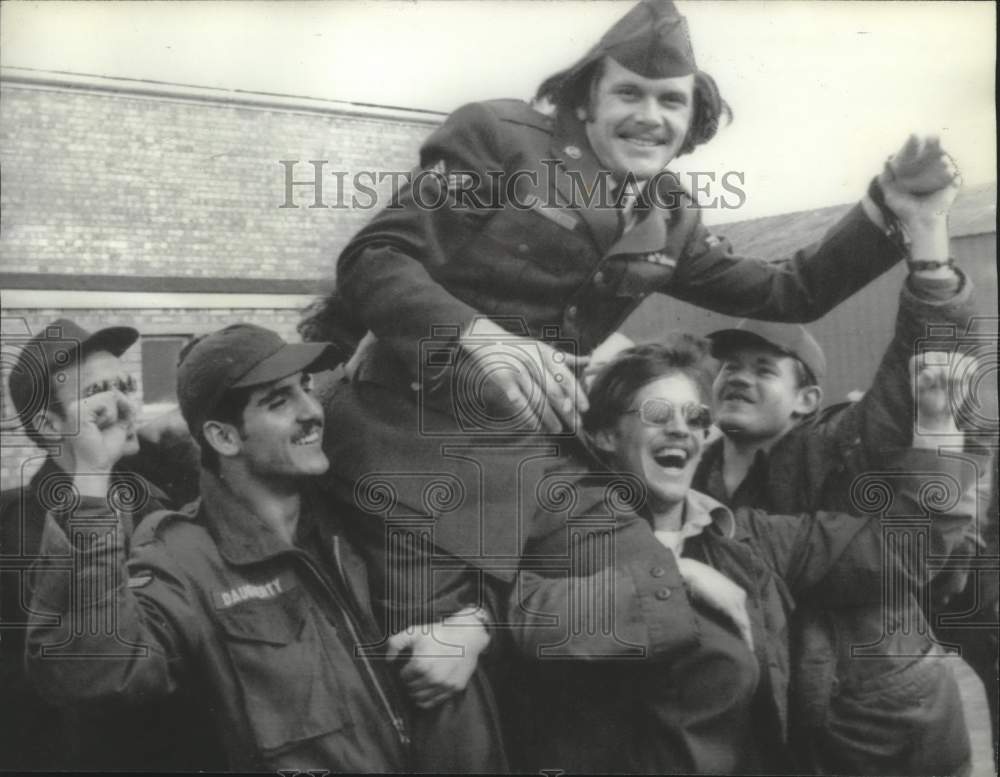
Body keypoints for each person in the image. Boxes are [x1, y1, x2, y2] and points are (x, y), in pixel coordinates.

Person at [310, 0, 959, 574]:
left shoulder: (671, 214)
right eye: (630, 94)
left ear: (692, 118)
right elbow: (376, 258)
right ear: (587, 99)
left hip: (526, 469)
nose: (651, 116)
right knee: (439, 663)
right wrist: (483, 339)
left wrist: (887, 207)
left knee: (664, 603)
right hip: (399, 449)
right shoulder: (500, 140)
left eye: (671, 100)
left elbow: (792, 292)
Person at [22, 323, 496, 772]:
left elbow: (505, 576)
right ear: (224, 437)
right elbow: (91, 677)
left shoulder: (358, 515)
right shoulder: (183, 559)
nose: (310, 410)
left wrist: (475, 625)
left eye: (307, 386)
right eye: (278, 401)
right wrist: (90, 478)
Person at [504, 338, 977, 774]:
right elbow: (512, 616)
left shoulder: (744, 539)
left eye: (694, 419)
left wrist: (936, 423)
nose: (680, 431)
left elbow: (900, 549)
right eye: (657, 414)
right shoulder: (560, 535)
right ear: (606, 435)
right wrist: (674, 576)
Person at [694, 177, 990, 775]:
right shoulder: (695, 476)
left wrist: (928, 246)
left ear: (805, 399)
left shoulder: (839, 445)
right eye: (728, 366)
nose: (737, 377)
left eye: (761, 368)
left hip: (882, 728)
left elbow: (921, 367)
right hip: (773, 729)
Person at [0, 318, 221, 771]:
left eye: (126, 384)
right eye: (99, 391)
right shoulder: (12, 528)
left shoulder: (160, 500)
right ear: (48, 422)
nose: (124, 403)